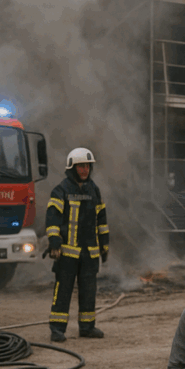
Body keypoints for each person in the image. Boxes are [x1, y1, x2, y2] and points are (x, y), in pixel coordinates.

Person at [46, 147, 109, 343]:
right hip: (67, 253)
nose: (85, 170)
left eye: (87, 166)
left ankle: (87, 327)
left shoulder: (94, 190)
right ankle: (57, 329)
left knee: (89, 291)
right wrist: (55, 242)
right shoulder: (61, 190)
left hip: (89, 253)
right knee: (62, 291)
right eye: (81, 166)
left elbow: (102, 219)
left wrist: (104, 244)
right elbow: (52, 219)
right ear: (72, 168)